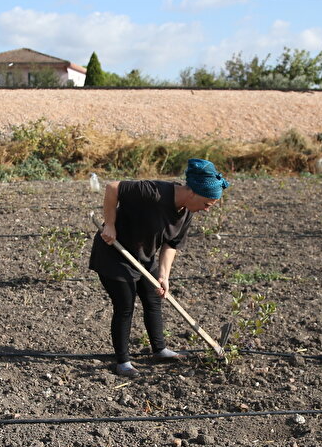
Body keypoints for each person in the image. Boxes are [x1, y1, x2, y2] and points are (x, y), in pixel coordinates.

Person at [89, 158, 228, 377]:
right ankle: (123, 362)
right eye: (207, 204)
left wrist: (164, 275)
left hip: (144, 257)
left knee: (153, 299)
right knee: (125, 306)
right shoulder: (153, 192)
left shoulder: (187, 211)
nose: (207, 210)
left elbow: (171, 244)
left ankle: (159, 349)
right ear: (193, 193)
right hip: (115, 253)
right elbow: (112, 187)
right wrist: (110, 224)